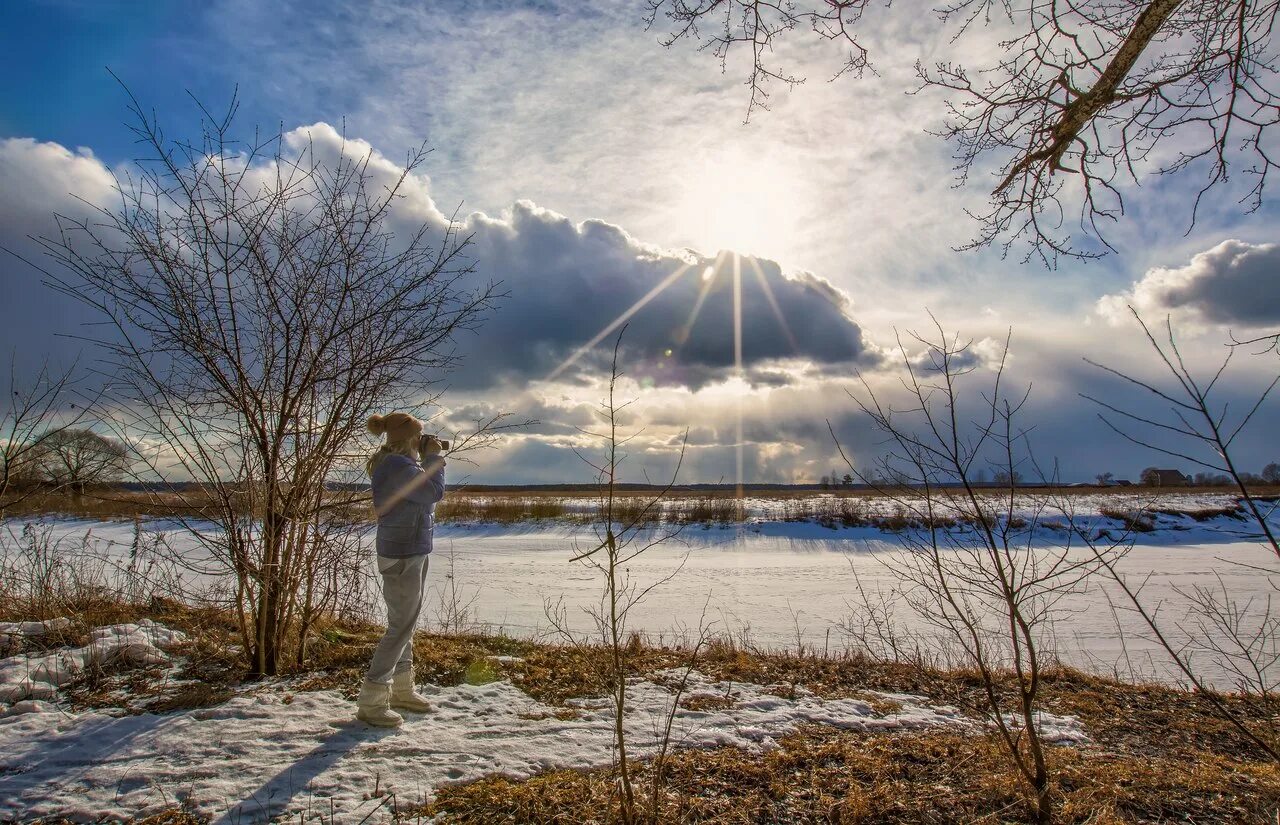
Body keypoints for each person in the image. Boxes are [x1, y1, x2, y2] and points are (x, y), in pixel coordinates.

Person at [356, 412, 446, 727]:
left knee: (405, 623)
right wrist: (434, 458)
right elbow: (432, 492)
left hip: (410, 548)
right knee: (400, 627)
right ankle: (372, 700)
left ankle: (402, 690)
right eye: (419, 435)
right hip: (403, 552)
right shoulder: (397, 467)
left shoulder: (400, 466)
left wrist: (427, 459)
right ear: (409, 437)